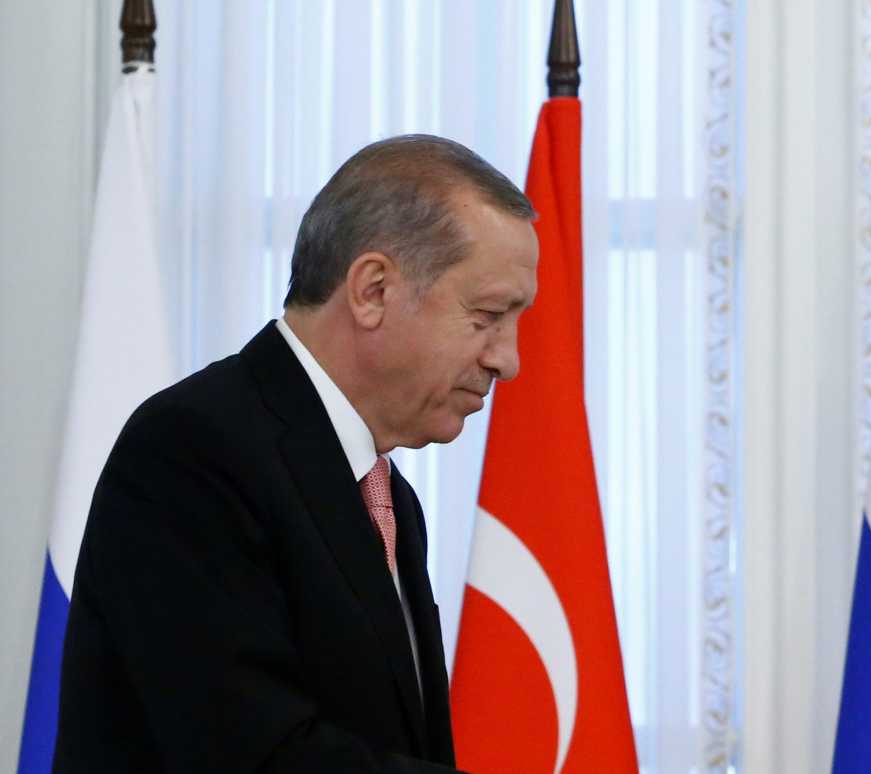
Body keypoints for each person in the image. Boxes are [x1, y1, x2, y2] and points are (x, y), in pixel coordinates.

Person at [54, 134, 538, 773]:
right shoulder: (190, 450)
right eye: (486, 316)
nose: (508, 359)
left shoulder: (391, 498)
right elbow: (251, 755)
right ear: (371, 290)